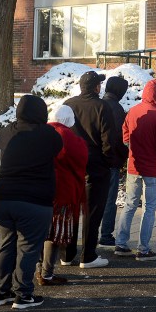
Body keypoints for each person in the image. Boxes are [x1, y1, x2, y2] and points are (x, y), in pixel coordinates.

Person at [0, 94, 63, 310]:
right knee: (29, 247)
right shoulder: (49, 135)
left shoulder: (5, 133)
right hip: (34, 200)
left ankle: (1, 291)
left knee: (5, 242)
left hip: (2, 197)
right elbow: (57, 149)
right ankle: (23, 295)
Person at [62, 70, 121, 269]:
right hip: (95, 165)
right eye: (99, 84)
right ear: (96, 87)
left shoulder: (68, 104)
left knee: (71, 210)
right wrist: (109, 161)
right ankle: (88, 255)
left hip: (71, 165)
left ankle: (67, 254)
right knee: (92, 211)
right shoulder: (102, 106)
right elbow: (108, 139)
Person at [113, 79, 156, 261]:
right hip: (153, 167)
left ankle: (121, 243)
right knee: (149, 208)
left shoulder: (133, 111)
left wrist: (134, 149)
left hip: (134, 165)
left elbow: (125, 137)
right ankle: (143, 249)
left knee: (130, 205)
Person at [39, 105, 88, 286]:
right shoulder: (69, 137)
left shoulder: (41, 132)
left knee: (39, 233)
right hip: (62, 193)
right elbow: (81, 157)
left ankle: (37, 269)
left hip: (40, 190)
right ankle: (47, 273)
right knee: (54, 234)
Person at [98, 76, 129, 248]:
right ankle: (106, 234)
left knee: (92, 198)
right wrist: (122, 157)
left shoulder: (97, 104)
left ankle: (90, 231)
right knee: (109, 199)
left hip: (92, 159)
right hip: (110, 161)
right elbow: (120, 138)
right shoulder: (117, 109)